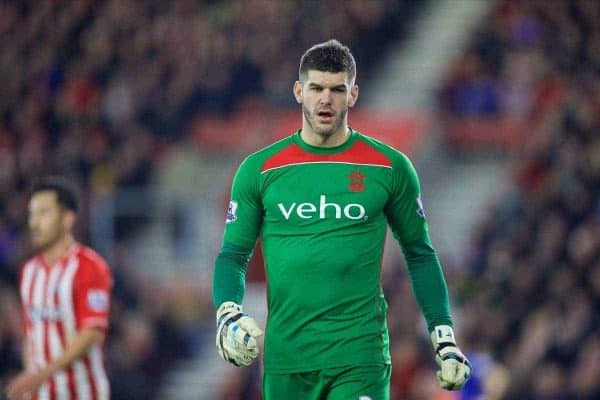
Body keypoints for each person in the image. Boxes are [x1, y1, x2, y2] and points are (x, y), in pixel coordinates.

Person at [213, 39, 471, 400]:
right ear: (299, 91)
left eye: (337, 89)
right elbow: (233, 254)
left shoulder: (389, 167)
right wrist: (227, 312)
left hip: (359, 357)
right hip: (287, 360)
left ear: (353, 95)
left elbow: (420, 254)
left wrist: (443, 336)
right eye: (316, 88)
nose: (325, 100)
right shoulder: (259, 170)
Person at [6, 177, 112, 400]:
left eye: (44, 213)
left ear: (67, 220)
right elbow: (31, 334)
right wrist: (30, 376)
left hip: (82, 394)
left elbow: (91, 333)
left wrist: (40, 375)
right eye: (32, 214)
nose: (34, 223)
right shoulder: (29, 271)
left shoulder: (89, 266)